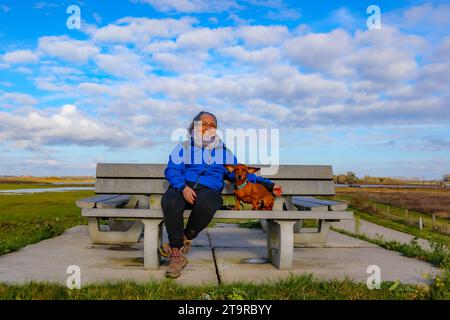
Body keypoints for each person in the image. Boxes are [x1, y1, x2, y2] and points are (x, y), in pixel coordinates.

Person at [161, 111, 282, 278]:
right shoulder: (183, 147)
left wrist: (269, 185)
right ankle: (176, 254)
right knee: (170, 201)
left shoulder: (224, 151)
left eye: (213, 125)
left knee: (208, 203)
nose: (209, 128)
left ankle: (184, 239)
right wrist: (183, 187)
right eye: (205, 124)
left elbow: (241, 173)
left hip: (208, 190)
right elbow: (172, 169)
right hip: (183, 187)